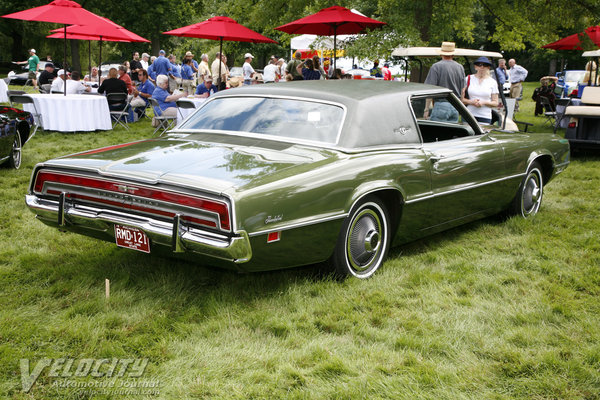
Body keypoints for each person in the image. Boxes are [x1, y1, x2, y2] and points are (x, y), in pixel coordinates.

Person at [424, 41, 465, 122]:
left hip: (441, 104)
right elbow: (463, 90)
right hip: (455, 105)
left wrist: (426, 109)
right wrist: (461, 107)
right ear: (453, 54)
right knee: (451, 133)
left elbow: (430, 89)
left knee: (437, 131)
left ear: (441, 54)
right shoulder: (460, 67)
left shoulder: (436, 67)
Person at [460, 57, 499, 124]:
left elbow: (495, 103)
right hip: (468, 115)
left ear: (488, 68)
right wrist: (471, 102)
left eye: (485, 65)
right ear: (475, 67)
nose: (482, 67)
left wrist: (484, 102)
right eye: (479, 65)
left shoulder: (492, 82)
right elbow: (461, 99)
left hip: (485, 116)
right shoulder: (468, 79)